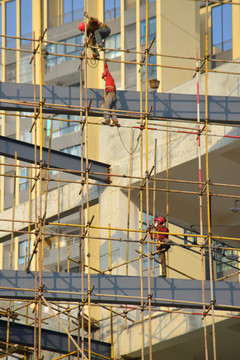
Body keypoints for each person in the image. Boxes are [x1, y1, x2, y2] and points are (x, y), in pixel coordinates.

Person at [101, 61, 119, 126]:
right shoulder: (111, 83)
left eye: (103, 77)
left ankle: (107, 119)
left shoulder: (109, 77)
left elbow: (106, 69)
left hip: (110, 93)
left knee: (106, 106)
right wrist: (105, 96)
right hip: (113, 94)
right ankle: (115, 120)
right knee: (112, 108)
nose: (104, 79)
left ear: (105, 76)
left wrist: (105, 63)